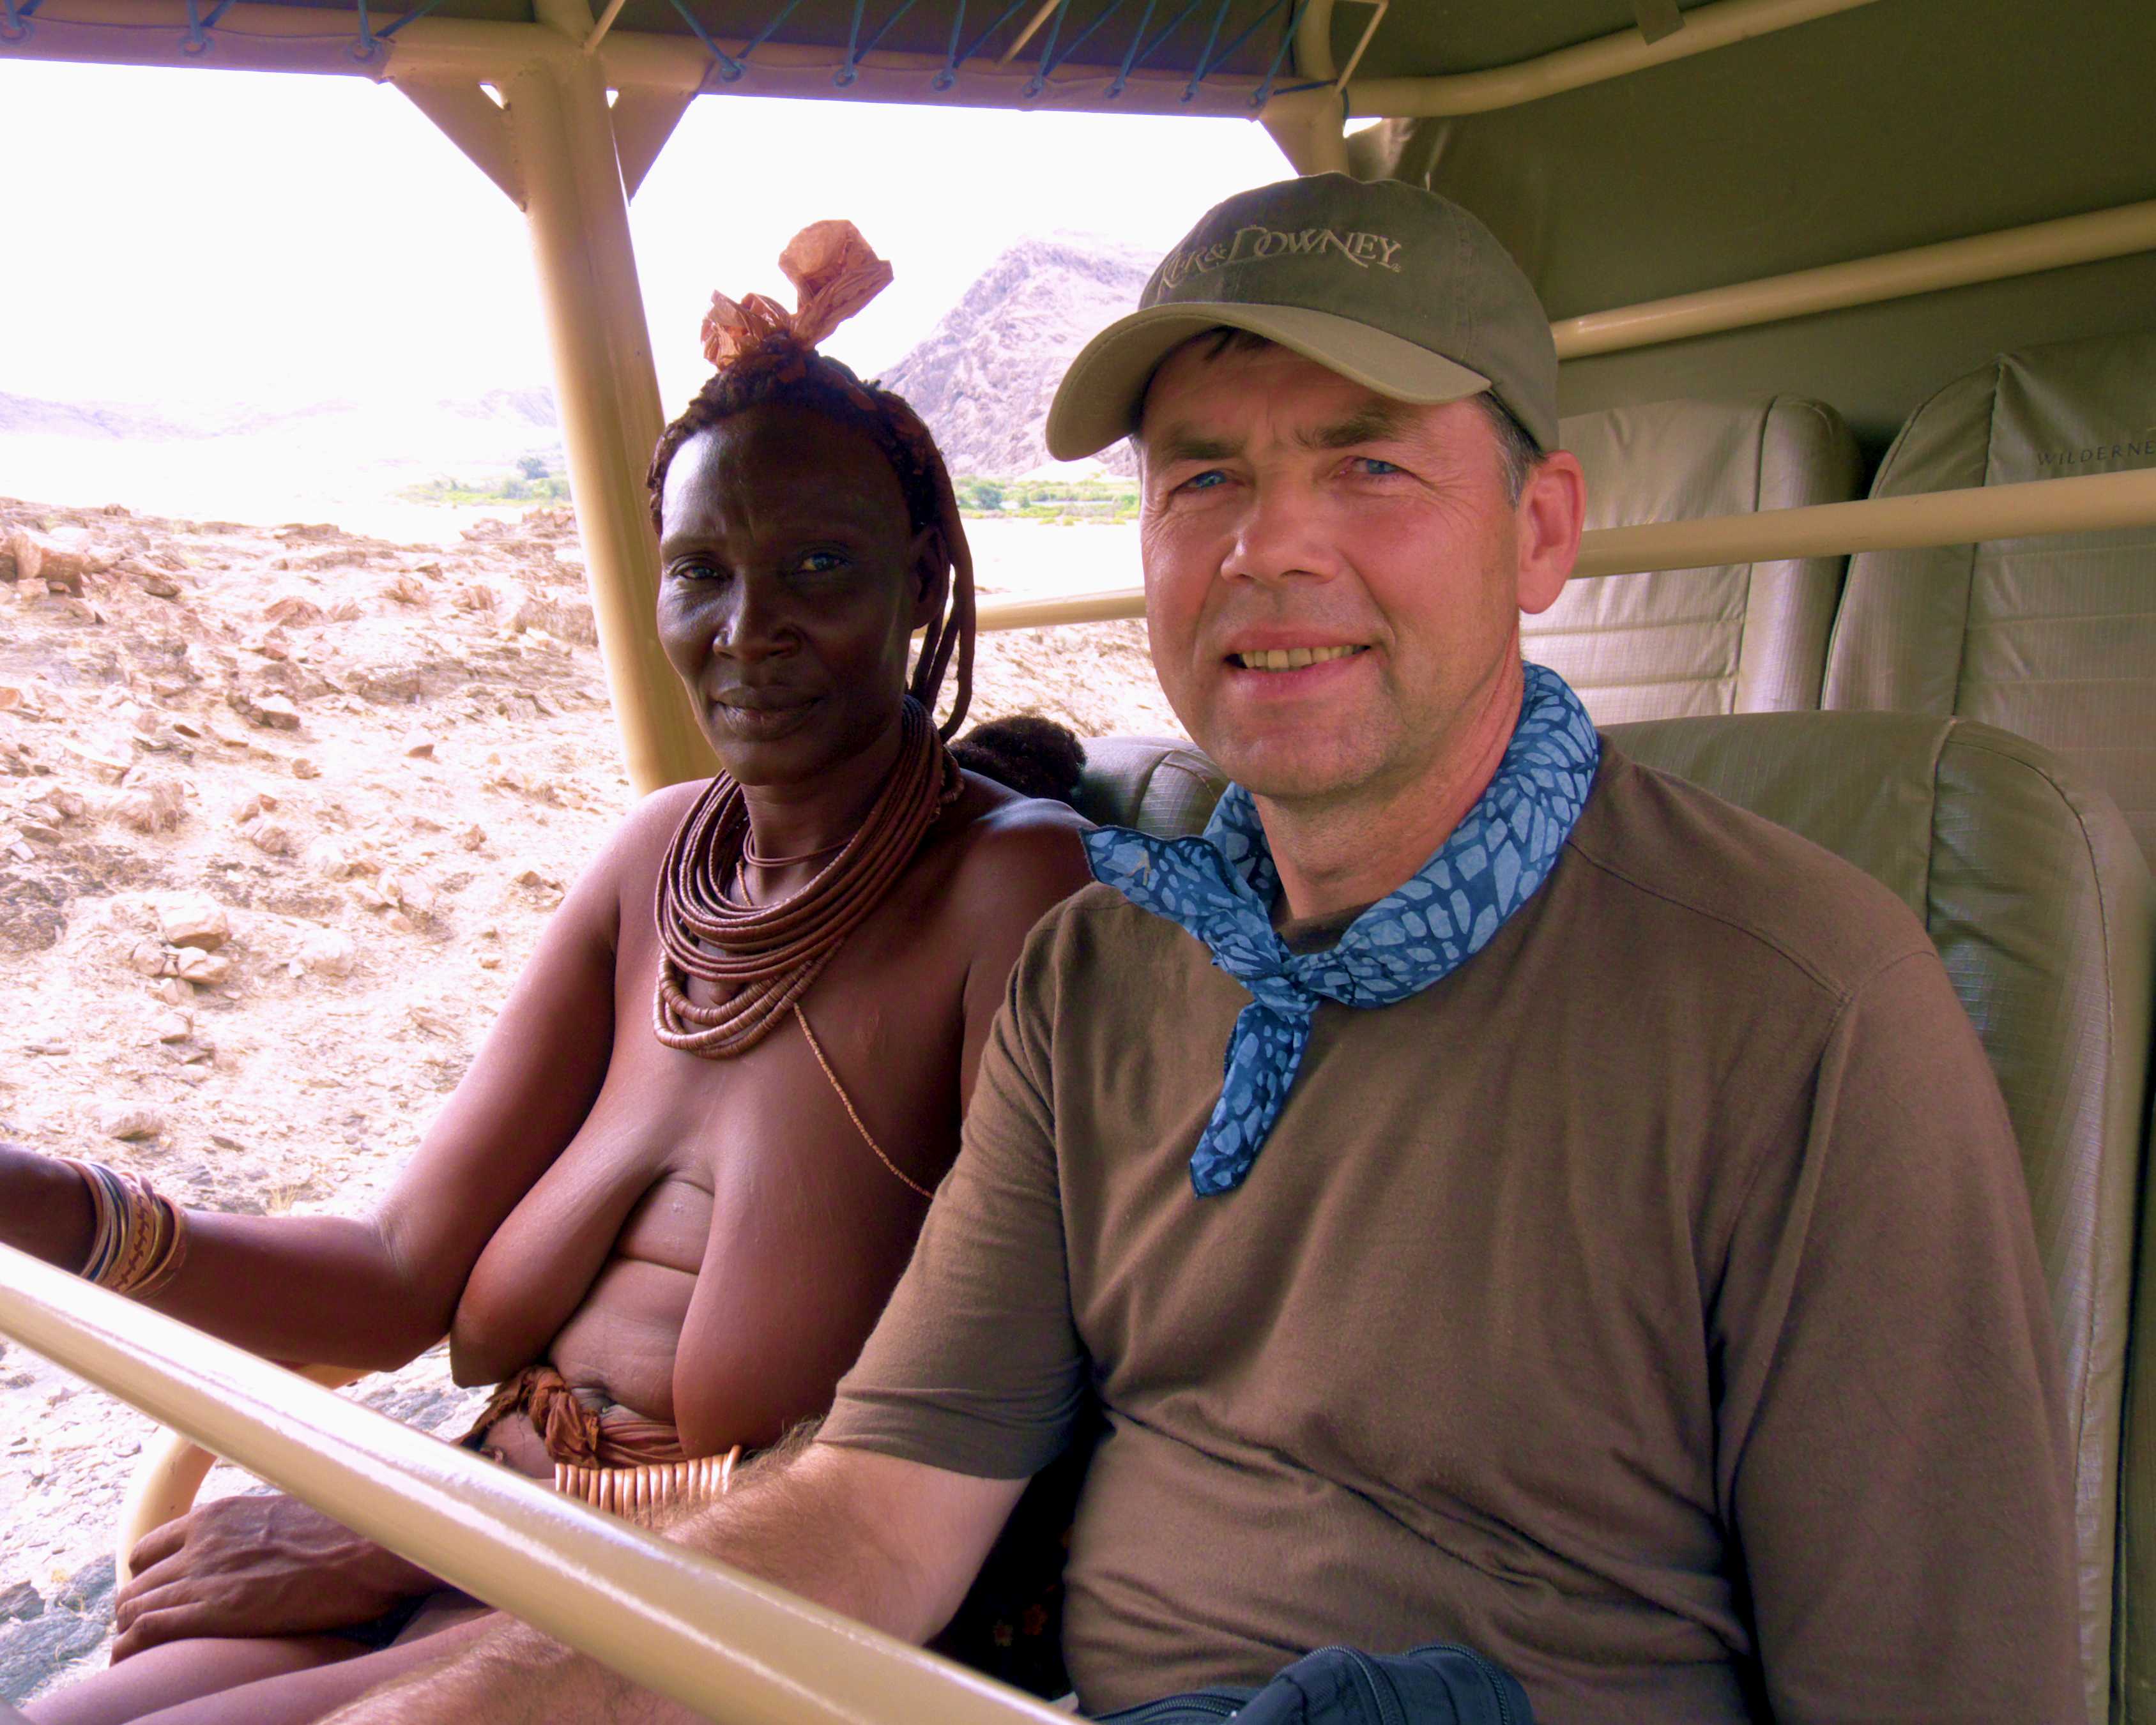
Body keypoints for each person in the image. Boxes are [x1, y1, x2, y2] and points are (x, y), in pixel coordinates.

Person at [330, 176, 2075, 1724]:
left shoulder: (1803, 1009)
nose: (1267, 548)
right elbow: (879, 1503)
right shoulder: (1102, 977)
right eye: (1205, 477)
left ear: (1540, 531)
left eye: (1367, 463)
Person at [0, 220, 1092, 1725]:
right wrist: (44, 1202)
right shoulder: (655, 865)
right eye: (700, 571)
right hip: (485, 1529)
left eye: (818, 566)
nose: (746, 629)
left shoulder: (1011, 886)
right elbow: (397, 1274)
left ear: (918, 582)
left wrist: (390, 1529)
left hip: (735, 1609)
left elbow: (956, 1444)